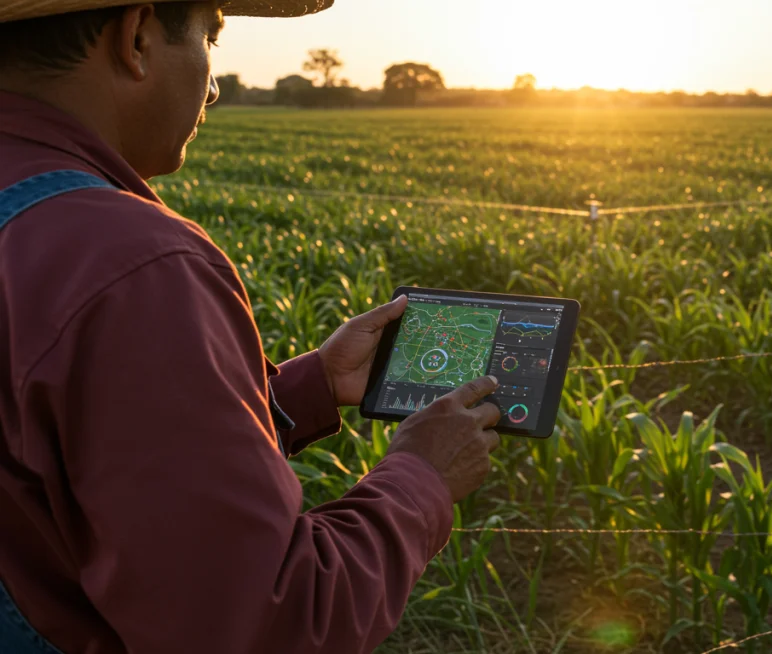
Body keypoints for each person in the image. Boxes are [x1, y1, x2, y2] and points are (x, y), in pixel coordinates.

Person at [0, 1, 502, 652]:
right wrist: (421, 476)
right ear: (137, 37)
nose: (212, 86)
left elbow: (56, 454)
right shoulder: (130, 263)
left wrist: (309, 387)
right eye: (211, 37)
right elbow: (265, 625)